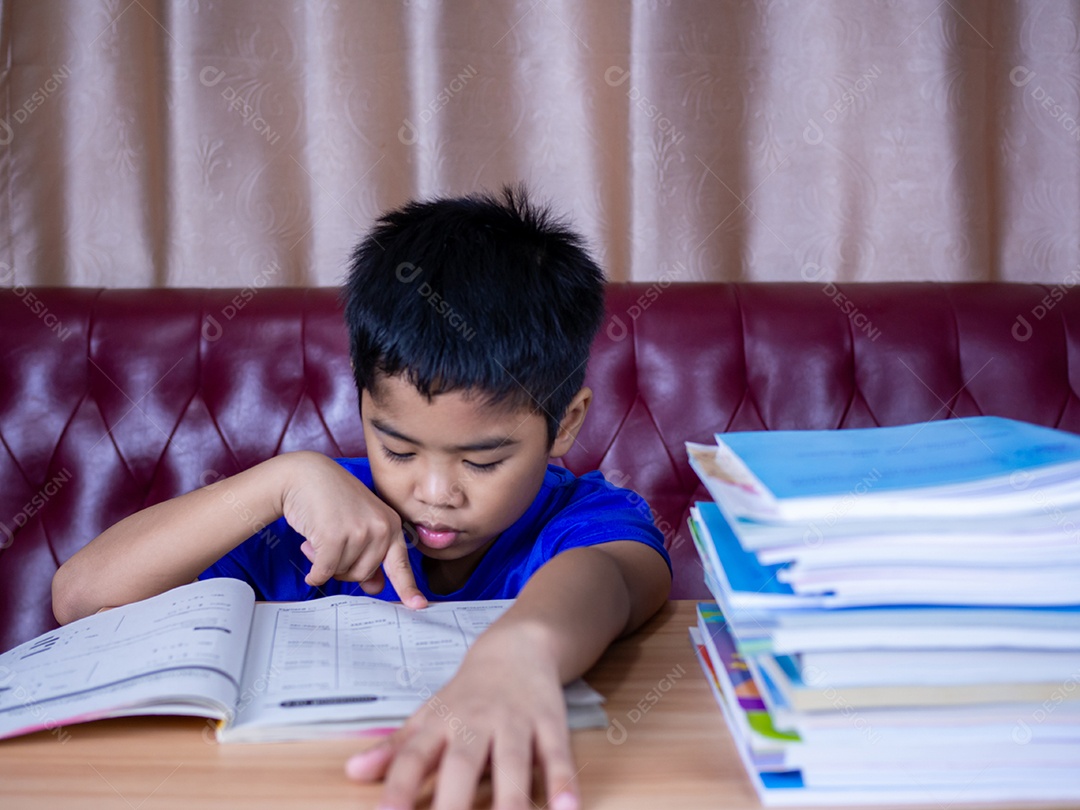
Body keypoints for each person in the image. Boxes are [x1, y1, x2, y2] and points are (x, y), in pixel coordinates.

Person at [52, 186, 672, 810]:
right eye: (399, 451)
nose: (433, 493)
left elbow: (616, 579)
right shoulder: (304, 516)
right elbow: (81, 598)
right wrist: (282, 478)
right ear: (364, 408)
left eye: (482, 461)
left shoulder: (583, 516)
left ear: (565, 424)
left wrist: (524, 648)